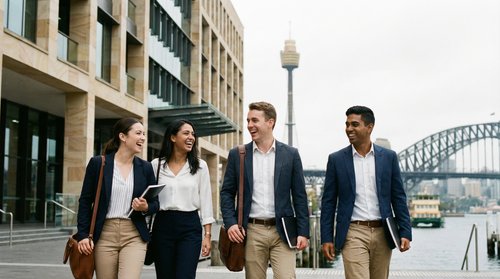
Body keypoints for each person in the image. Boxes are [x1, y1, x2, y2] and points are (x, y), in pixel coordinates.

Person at [220, 101, 310, 279]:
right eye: (248, 121)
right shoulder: (237, 154)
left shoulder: (290, 154)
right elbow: (227, 193)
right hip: (252, 230)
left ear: (270, 122)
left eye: (255, 120)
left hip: (283, 231)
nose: (249, 125)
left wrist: (303, 232)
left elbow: (300, 196)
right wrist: (230, 223)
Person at [320, 105, 412, 279]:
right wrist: (326, 238)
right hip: (353, 231)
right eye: (347, 124)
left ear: (369, 127)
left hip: (383, 232)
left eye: (355, 124)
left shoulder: (389, 157)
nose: (349, 129)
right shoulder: (336, 160)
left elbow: (398, 196)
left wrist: (405, 231)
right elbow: (328, 202)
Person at [76, 117, 159, 279]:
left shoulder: (146, 168)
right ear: (123, 136)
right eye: (138, 133)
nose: (143, 137)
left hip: (134, 234)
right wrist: (83, 235)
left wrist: (145, 207)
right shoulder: (98, 164)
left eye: (144, 134)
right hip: (104, 235)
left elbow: (156, 204)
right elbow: (85, 201)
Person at [150, 119, 215, 279]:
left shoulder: (201, 166)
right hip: (162, 225)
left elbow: (206, 200)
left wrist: (207, 235)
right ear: (173, 137)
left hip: (190, 226)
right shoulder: (156, 165)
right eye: (186, 133)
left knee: (185, 275)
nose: (191, 137)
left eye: (193, 134)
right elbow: (151, 199)